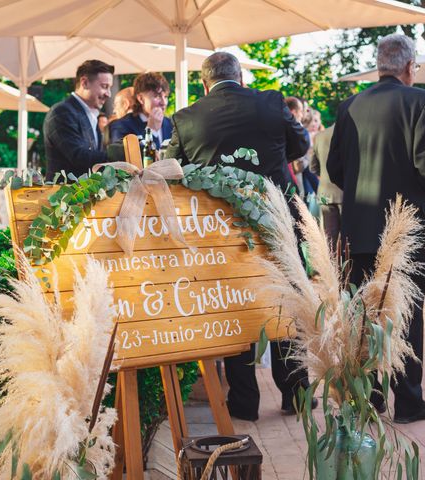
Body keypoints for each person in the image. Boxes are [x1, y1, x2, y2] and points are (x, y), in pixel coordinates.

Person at [164, 52, 310, 421]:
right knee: (285, 301)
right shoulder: (271, 102)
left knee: (236, 303)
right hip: (277, 215)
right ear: (241, 77)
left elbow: (171, 169)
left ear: (203, 83)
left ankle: (244, 403)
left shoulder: (185, 118)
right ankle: (296, 395)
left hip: (222, 225)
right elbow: (301, 144)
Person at [327, 34, 425, 424]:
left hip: (358, 228)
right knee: (406, 315)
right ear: (410, 66)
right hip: (406, 227)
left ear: (380, 65)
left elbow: (335, 169)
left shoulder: (349, 106)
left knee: (366, 313)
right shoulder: (423, 101)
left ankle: (371, 397)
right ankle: (409, 401)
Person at [44, 59, 116, 180]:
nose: (108, 94)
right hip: (63, 196)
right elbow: (78, 156)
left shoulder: (90, 115)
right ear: (84, 83)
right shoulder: (61, 112)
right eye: (104, 86)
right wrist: (119, 155)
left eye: (110, 88)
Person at [109, 72, 172, 148]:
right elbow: (124, 155)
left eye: (165, 96)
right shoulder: (122, 125)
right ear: (141, 98)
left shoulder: (170, 124)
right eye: (157, 96)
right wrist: (151, 131)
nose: (164, 102)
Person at [310, 124, 342, 245]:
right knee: (347, 240)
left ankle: (328, 264)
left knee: (329, 238)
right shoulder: (349, 134)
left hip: (325, 192)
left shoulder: (319, 136)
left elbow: (313, 167)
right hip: (345, 192)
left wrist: (324, 175)